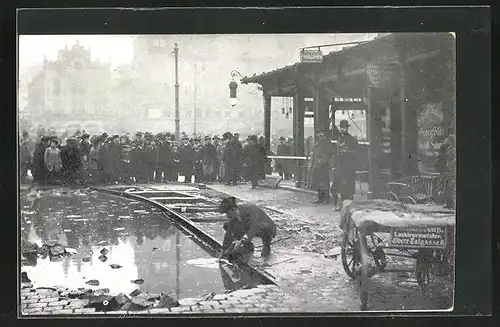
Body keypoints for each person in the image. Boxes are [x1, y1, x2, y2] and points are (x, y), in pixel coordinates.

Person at [218, 196, 277, 261]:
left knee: (263, 230)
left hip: (266, 228)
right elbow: (228, 234)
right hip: (250, 228)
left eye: (227, 213)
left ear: (233, 209)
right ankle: (248, 248)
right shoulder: (234, 217)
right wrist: (223, 252)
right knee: (228, 226)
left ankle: (266, 254)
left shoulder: (250, 209)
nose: (227, 215)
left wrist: (242, 241)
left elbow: (254, 227)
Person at [335, 120, 358, 210]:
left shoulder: (352, 140)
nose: (342, 129)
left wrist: (347, 153)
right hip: (340, 166)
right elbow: (337, 153)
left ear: (347, 128)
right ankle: (342, 205)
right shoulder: (339, 139)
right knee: (340, 187)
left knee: (348, 187)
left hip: (349, 167)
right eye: (341, 127)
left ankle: (349, 206)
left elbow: (356, 154)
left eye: (344, 127)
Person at [310, 129, 336, 204]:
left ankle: (326, 198)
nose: (320, 134)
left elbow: (329, 153)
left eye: (322, 133)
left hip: (324, 165)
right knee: (318, 182)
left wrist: (322, 161)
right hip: (317, 165)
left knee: (324, 182)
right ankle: (320, 198)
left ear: (324, 134)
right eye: (319, 133)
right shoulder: (318, 142)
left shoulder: (327, 142)